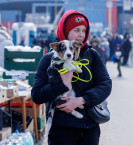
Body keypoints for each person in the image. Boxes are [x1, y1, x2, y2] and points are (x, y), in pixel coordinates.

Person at [31, 9, 112, 145]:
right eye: (76, 30)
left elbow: (105, 85)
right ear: (65, 31)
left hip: (89, 128)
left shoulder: (91, 55)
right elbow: (37, 95)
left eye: (84, 30)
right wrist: (61, 84)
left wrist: (82, 100)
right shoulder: (49, 59)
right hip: (61, 130)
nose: (81, 35)